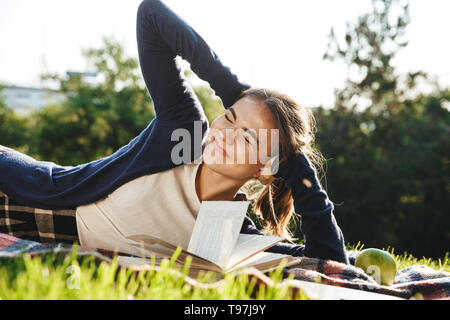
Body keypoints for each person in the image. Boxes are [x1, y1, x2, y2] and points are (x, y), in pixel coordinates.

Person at [0, 0, 349, 264]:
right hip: (19, 192)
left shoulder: (229, 233)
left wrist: (294, 161)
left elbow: (329, 263)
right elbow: (151, 14)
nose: (225, 134)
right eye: (228, 118)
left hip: (45, 242)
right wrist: (231, 90)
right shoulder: (185, 132)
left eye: (247, 137)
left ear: (265, 167)